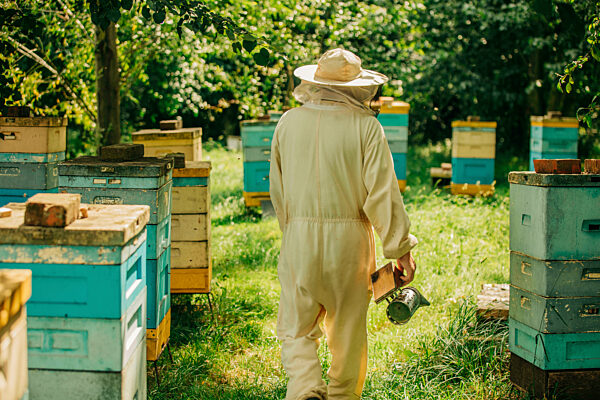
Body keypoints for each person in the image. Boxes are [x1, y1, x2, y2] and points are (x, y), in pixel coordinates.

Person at [269, 48, 418, 400]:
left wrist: (293, 232)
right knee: (349, 336)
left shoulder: (287, 123)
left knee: (295, 329)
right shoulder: (367, 127)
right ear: (358, 88)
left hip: (299, 240)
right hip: (349, 246)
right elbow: (383, 194)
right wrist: (401, 250)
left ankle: (305, 389)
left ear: (314, 83)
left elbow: (278, 189)